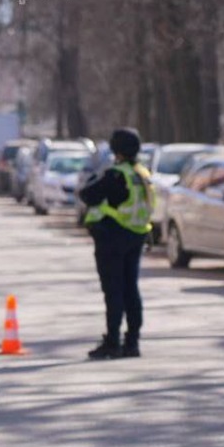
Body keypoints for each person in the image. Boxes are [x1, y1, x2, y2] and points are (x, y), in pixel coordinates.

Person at [79, 127, 154, 360]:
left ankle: (112, 341)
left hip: (113, 237)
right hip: (137, 236)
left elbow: (87, 195)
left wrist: (98, 174)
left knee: (113, 291)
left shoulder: (115, 174)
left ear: (116, 150)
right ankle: (132, 342)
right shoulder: (142, 174)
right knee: (131, 289)